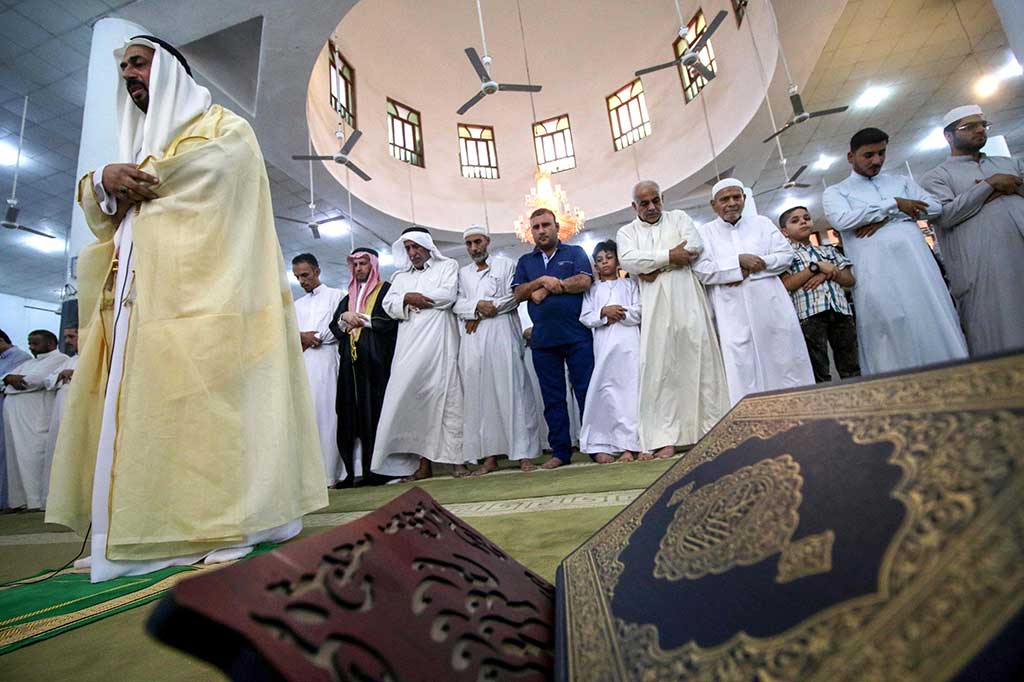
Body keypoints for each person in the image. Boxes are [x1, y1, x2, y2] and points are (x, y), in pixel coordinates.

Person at [47, 36, 326, 582]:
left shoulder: (223, 127)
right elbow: (102, 208)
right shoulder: (135, 138)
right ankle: (129, 529)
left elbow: (214, 177)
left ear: (170, 71)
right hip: (139, 305)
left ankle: (228, 526)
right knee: (140, 414)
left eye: (138, 62)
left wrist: (137, 179)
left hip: (209, 302)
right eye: (123, 66)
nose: (129, 73)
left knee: (210, 413)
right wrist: (103, 179)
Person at [823, 128, 968, 374]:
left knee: (932, 317)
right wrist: (895, 204)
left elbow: (934, 208)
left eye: (881, 153)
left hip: (918, 267)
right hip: (875, 273)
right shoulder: (836, 192)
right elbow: (843, 220)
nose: (876, 160)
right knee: (889, 325)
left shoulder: (900, 181)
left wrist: (884, 216)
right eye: (868, 155)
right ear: (851, 157)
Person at [616, 180, 730, 457]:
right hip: (654, 303)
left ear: (662, 199)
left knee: (697, 358)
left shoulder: (679, 217)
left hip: (687, 296)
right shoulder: (626, 231)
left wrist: (653, 264)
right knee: (660, 367)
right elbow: (629, 260)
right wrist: (669, 256)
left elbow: (693, 247)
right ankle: (663, 437)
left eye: (656, 200)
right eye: (644, 203)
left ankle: (706, 431)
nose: (652, 207)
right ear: (634, 206)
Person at [694, 179, 815, 404]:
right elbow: (703, 270)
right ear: (713, 205)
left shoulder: (762, 223)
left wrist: (755, 265)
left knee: (783, 357)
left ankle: (795, 411)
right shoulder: (705, 233)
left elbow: (785, 256)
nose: (731, 203)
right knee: (742, 363)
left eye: (736, 197)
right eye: (725, 199)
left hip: (770, 304)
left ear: (744, 199)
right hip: (732, 311)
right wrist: (738, 262)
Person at [920, 105, 1024, 356]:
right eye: (969, 127)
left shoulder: (1010, 163)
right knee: (998, 339)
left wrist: (992, 188)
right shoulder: (937, 177)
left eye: (982, 125)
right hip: (983, 270)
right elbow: (945, 215)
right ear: (948, 136)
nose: (979, 130)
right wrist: (990, 185)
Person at [371, 227, 467, 481]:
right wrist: (407, 298)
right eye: (408, 248)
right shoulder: (400, 277)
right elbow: (389, 305)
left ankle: (457, 461)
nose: (412, 253)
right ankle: (421, 466)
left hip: (440, 343)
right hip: (409, 347)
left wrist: (413, 299)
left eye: (416, 247)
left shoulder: (447, 266)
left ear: (428, 246)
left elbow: (447, 296)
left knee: (449, 400)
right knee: (414, 402)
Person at [455, 225, 541, 474]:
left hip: (503, 336)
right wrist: (476, 308)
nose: (474, 248)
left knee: (514, 392)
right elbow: (456, 304)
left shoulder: (506, 265)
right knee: (482, 398)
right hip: (474, 341)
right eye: (469, 244)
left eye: (478, 242)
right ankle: (489, 457)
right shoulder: (462, 274)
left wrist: (484, 309)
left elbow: (515, 296)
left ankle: (523, 455)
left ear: (487, 241)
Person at [512, 209, 594, 470]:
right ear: (531, 231)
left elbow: (583, 281)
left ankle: (595, 445)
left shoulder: (575, 253)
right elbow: (518, 294)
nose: (541, 230)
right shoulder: (525, 261)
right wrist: (540, 280)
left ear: (557, 227)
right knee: (553, 398)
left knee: (587, 392)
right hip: (544, 341)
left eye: (546, 225)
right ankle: (560, 451)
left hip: (577, 334)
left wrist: (548, 287)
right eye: (535, 227)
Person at [328, 247, 398, 487]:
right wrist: (344, 320)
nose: (359, 269)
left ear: (373, 266)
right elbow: (335, 327)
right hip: (350, 365)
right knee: (348, 416)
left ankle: (376, 471)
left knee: (375, 416)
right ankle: (351, 472)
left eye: (363, 264)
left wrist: (361, 320)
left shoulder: (386, 290)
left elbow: (390, 322)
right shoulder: (347, 297)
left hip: (376, 365)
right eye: (355, 265)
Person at [778, 206, 860, 383]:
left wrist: (827, 272)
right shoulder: (786, 256)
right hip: (809, 315)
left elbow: (849, 280)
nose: (803, 221)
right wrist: (816, 268)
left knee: (850, 365)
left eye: (806, 218)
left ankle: (857, 402)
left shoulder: (829, 251)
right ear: (784, 231)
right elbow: (787, 284)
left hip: (840, 312)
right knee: (819, 368)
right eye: (795, 220)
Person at [578, 241, 642, 463]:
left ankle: (637, 444)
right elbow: (586, 317)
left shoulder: (630, 284)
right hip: (605, 346)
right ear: (595, 265)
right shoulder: (592, 290)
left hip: (630, 344)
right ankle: (614, 444)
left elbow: (640, 309)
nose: (604, 262)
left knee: (632, 393)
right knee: (609, 394)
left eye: (609, 257)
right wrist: (604, 312)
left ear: (618, 260)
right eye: (599, 259)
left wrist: (621, 313)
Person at [292, 253, 345, 486]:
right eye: (297, 277)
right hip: (304, 366)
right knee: (309, 420)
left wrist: (315, 337)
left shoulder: (338, 296)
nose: (302, 281)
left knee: (330, 418)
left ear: (317, 271)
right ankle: (313, 478)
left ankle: (334, 474)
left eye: (305, 275)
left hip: (329, 362)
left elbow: (338, 328)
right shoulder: (295, 305)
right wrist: (300, 336)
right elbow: (288, 335)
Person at [2, 331, 68, 512]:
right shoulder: (29, 362)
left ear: (50, 344)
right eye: (30, 343)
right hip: (16, 414)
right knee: (16, 457)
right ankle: (20, 501)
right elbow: (5, 379)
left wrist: (12, 380)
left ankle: (37, 501)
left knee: (33, 456)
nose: (31, 347)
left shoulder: (59, 358)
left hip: (36, 415)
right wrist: (9, 379)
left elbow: (37, 381)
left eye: (35, 343)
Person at [42, 326, 80, 508]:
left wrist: (76, 374)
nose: (68, 342)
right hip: (61, 405)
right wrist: (62, 375)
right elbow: (48, 380)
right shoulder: (70, 360)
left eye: (72, 337)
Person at [0, 329, 32, 511]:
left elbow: (25, 381)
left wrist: (6, 380)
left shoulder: (20, 358)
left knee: (6, 454)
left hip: (16, 412)